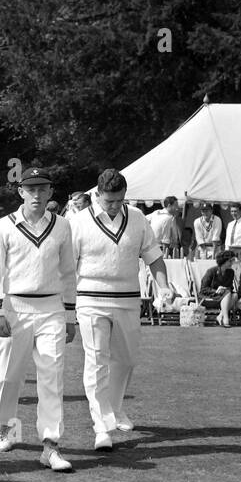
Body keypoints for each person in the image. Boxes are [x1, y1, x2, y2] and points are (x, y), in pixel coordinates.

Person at [0, 168, 76, 471]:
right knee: (10, 375)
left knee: (52, 376)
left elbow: (68, 273)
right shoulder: (4, 226)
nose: (36, 195)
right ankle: (6, 428)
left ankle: (51, 446)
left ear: (50, 192)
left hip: (51, 309)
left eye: (42, 189)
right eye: (30, 189)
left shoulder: (62, 226)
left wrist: (70, 315)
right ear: (20, 192)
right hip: (14, 308)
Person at [71, 168, 172, 451]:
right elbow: (68, 267)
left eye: (119, 200)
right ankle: (101, 426)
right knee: (97, 360)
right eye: (108, 201)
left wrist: (163, 286)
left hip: (128, 298)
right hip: (90, 299)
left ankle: (115, 409)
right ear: (96, 195)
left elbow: (153, 256)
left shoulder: (138, 218)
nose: (114, 205)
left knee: (126, 360)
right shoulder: (79, 222)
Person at [198, 250, 239, 327]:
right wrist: (216, 291)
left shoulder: (231, 272)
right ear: (224, 261)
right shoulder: (211, 271)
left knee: (235, 295)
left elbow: (230, 287)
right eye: (230, 261)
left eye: (232, 261)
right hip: (209, 295)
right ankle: (226, 319)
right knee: (228, 293)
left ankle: (220, 316)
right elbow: (203, 289)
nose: (232, 263)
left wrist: (224, 289)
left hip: (224, 296)